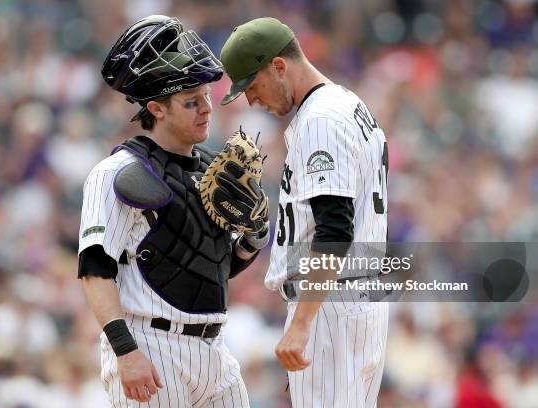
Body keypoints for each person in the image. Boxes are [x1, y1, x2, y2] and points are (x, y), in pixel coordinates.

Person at [78, 15, 269, 407]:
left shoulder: (212, 169)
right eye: (190, 102)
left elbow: (210, 267)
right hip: (150, 345)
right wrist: (125, 352)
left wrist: (252, 239)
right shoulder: (116, 174)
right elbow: (95, 270)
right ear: (156, 108)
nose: (206, 108)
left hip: (215, 349)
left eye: (205, 97)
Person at [220, 17, 389, 407]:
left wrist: (301, 325)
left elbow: (335, 230)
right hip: (356, 298)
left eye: (252, 85)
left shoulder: (320, 119)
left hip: (330, 304)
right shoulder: (349, 103)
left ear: (279, 66)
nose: (251, 100)